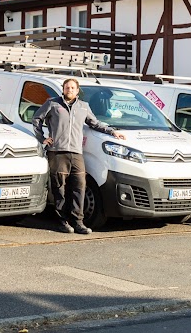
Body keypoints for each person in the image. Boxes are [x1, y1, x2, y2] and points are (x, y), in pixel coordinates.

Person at [32, 78, 123, 235]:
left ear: (77, 90)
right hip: (57, 151)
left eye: (73, 87)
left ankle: (78, 222)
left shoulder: (83, 106)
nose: (70, 90)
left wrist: (111, 131)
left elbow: (95, 123)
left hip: (76, 152)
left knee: (79, 186)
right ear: (63, 89)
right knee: (60, 188)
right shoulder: (52, 104)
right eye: (67, 87)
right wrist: (42, 138)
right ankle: (63, 221)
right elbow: (36, 119)